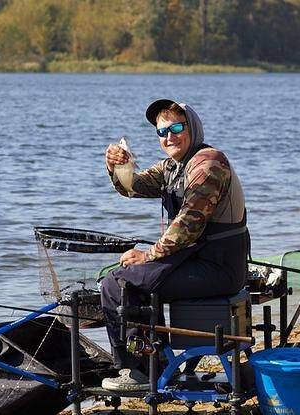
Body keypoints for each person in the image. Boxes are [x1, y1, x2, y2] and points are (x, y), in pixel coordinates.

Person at [99, 99, 249, 391]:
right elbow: (133, 187)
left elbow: (189, 225)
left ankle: (139, 371)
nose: (169, 137)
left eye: (177, 127)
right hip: (193, 260)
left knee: (121, 285)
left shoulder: (208, 163)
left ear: (192, 126)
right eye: (162, 131)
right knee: (122, 277)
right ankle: (152, 361)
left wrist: (148, 255)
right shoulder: (172, 167)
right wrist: (116, 166)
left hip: (218, 268)